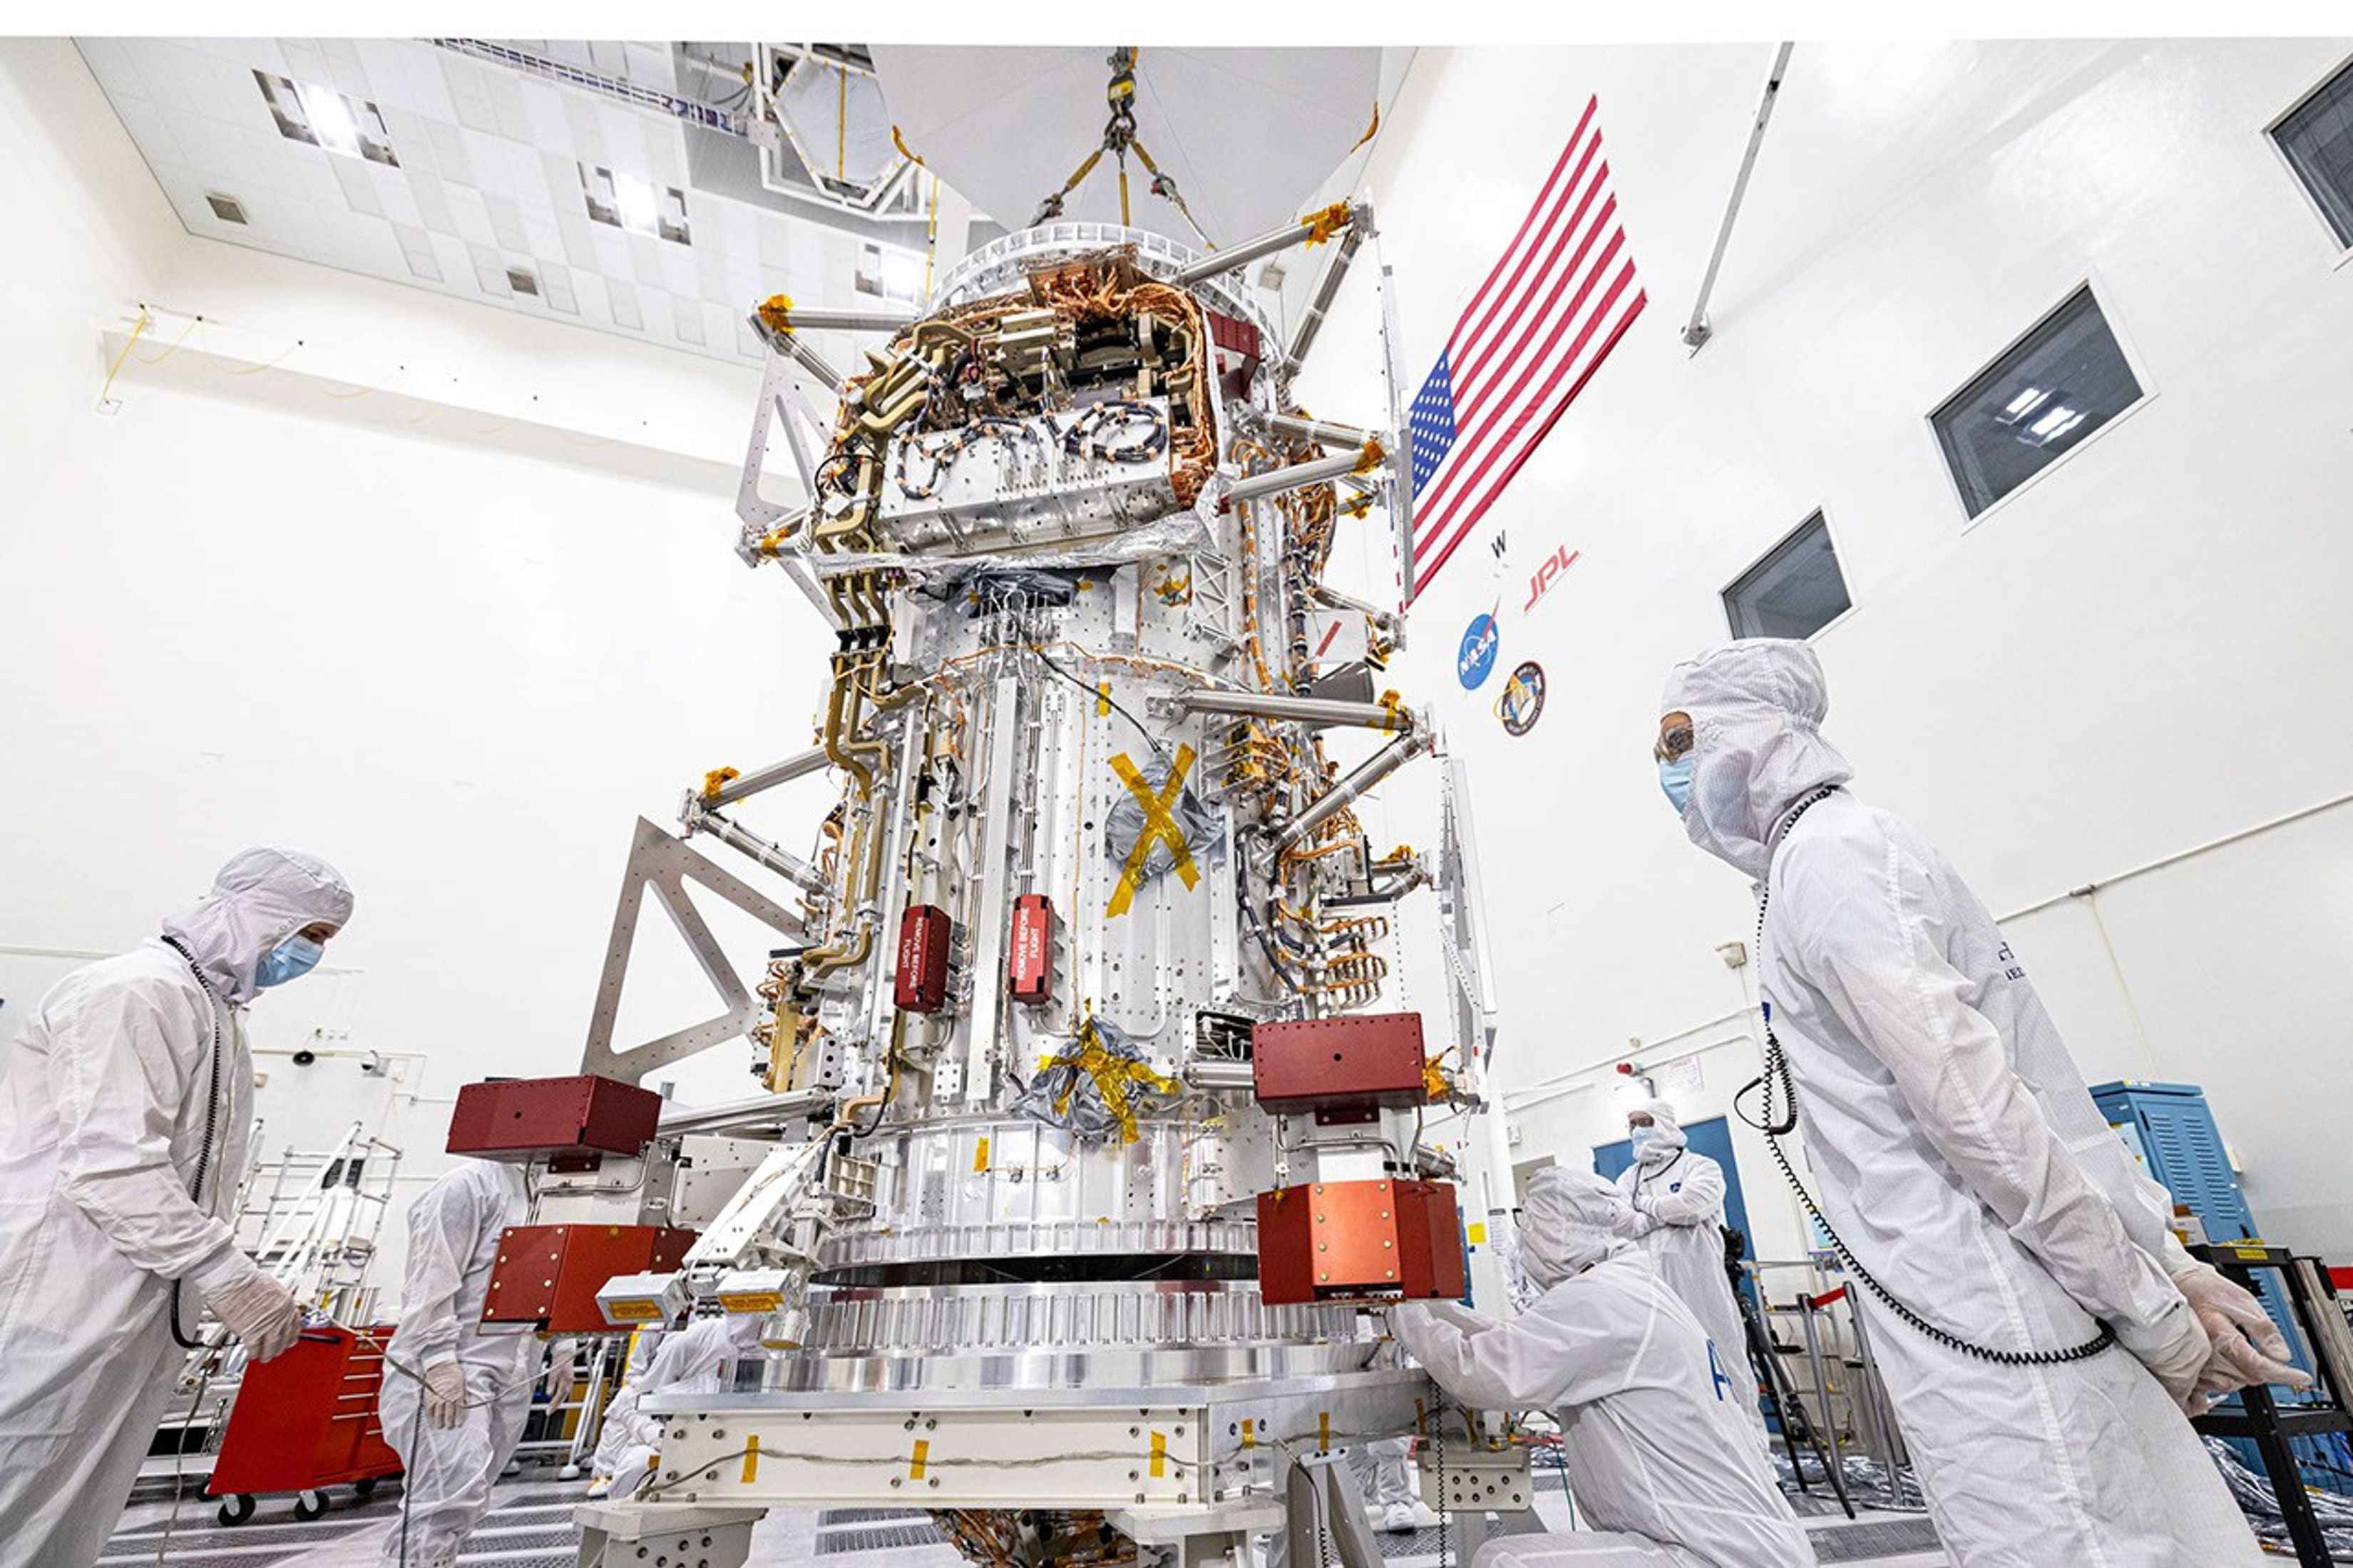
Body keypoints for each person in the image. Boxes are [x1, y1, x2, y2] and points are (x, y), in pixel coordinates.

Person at [1656, 638, 2302, 1567]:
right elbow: (2034, 1090)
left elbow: (1979, 1110)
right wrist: (2157, 1264)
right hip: (2000, 1310)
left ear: (1751, 733)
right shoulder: (1825, 859)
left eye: (1679, 741)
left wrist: (2153, 1300)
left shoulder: (1831, 861)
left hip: (1996, 1323)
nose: (1669, 773)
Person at [0, 847, 353, 1568]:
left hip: (130, 1310)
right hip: (57, 1299)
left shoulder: (212, 1011)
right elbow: (110, 1166)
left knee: (64, 1519)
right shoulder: (136, 992)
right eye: (309, 936)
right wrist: (227, 1272)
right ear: (262, 914)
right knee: (18, 1488)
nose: (308, 957)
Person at [1389, 1167, 1815, 1568]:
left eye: (1530, 1223)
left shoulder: (1600, 1301)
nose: (1525, 1239)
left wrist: (1399, 1311)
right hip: (1739, 1544)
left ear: (1559, 1231)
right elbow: (1521, 1344)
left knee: (1504, 1561)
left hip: (1711, 1553)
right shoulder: (1631, 1290)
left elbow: (1483, 1373)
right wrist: (1437, 1312)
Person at [378, 1158, 535, 1568]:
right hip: (450, 1372)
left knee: (467, 1503)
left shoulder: (543, 1188)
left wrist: (565, 1351)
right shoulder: (468, 1185)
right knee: (442, 1506)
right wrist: (439, 1361)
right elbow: (429, 1278)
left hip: (509, 1374)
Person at [1611, 1100, 1767, 1447]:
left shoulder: (1701, 1167)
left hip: (1701, 1286)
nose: (1637, 1130)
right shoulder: (1627, 1178)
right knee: (1665, 1370)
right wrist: (1662, 1212)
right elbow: (1620, 1223)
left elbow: (1692, 1205)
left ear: (1664, 1122)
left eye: (1645, 1121)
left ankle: (1753, 1452)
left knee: (1725, 1366)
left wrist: (1646, 1210)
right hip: (1651, 1290)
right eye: (1632, 1124)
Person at [587, 1313, 764, 1499]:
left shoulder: (765, 1350)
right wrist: (660, 1436)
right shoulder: (693, 1337)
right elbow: (640, 1394)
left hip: (712, 1444)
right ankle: (605, 1477)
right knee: (635, 1466)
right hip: (656, 1426)